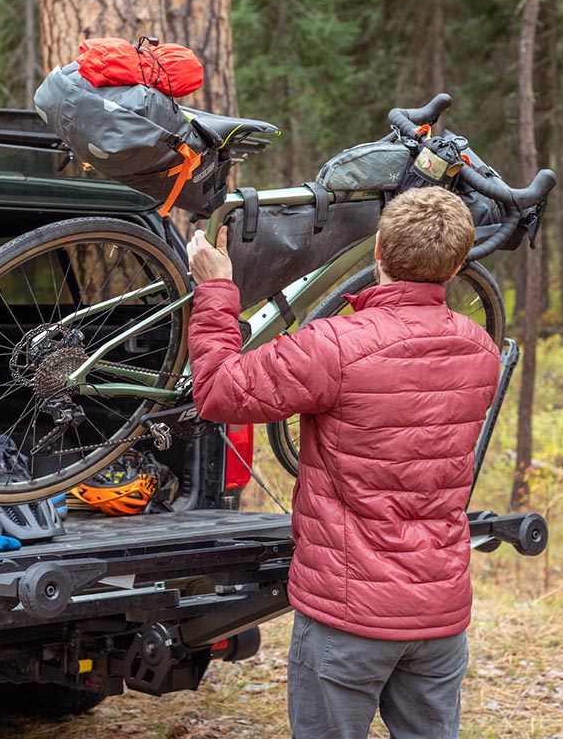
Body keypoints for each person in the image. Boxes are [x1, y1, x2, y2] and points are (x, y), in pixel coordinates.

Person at [186, 187, 501, 739]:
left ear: (377, 249)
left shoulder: (334, 345)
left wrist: (216, 290)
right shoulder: (481, 351)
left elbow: (218, 391)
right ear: (455, 267)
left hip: (348, 615)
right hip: (440, 616)